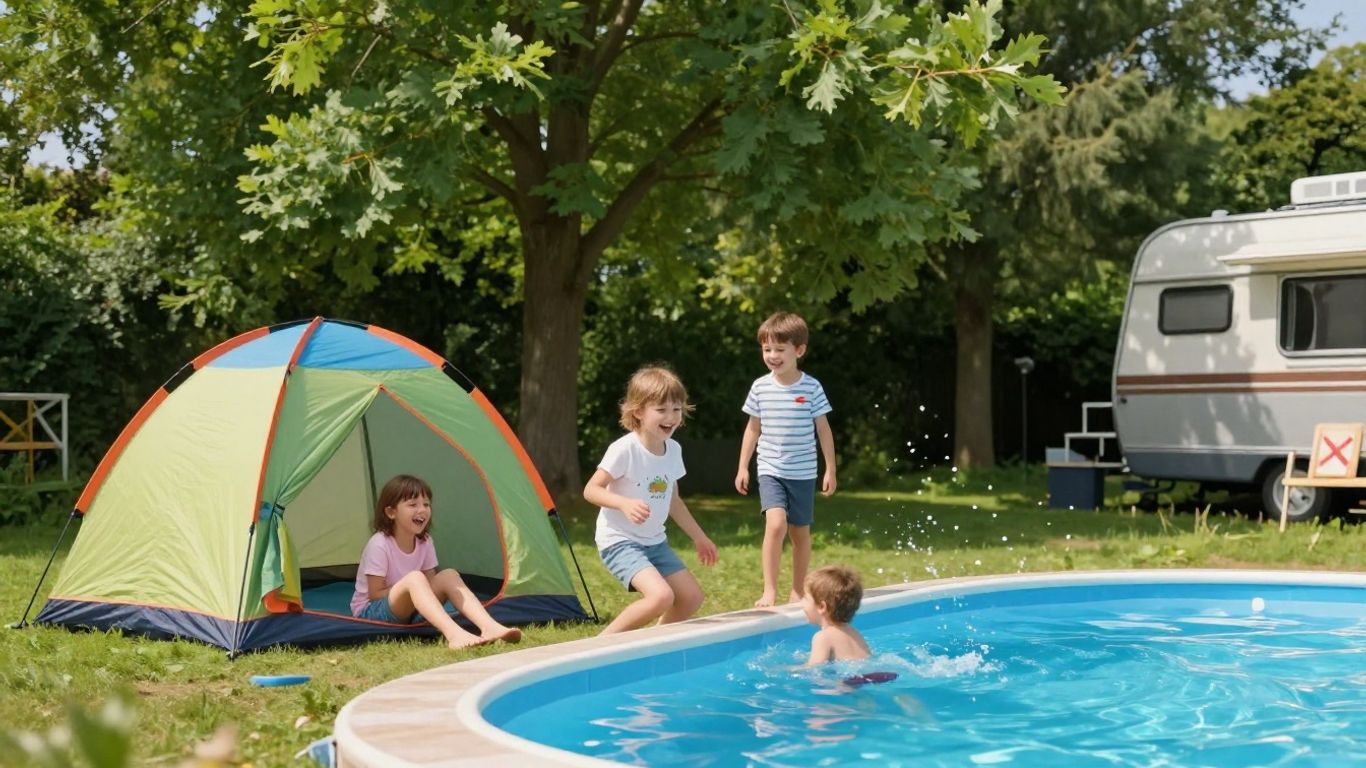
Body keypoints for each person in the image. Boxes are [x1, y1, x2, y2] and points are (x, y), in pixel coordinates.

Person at [585, 366, 719, 635]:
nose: (671, 417)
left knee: (691, 598)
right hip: (620, 541)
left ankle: (655, 643)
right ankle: (600, 645)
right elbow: (591, 490)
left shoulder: (674, 450)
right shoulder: (625, 449)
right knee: (661, 597)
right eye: (661, 410)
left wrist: (699, 537)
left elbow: (674, 501)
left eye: (676, 409)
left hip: (655, 542)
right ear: (638, 411)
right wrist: (623, 503)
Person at [735, 311, 837, 607]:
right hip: (770, 469)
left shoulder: (811, 387)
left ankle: (797, 590)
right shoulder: (760, 387)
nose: (772, 355)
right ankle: (769, 590)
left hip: (803, 472)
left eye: (780, 349)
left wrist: (830, 469)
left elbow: (824, 430)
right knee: (776, 524)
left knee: (799, 532)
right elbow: (752, 429)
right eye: (767, 349)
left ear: (799, 350)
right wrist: (743, 467)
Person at [350, 474, 522, 649]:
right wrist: (409, 587)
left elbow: (432, 584)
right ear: (391, 512)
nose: (422, 510)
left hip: (410, 611)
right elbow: (375, 594)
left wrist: (418, 593)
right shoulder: (379, 544)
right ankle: (454, 635)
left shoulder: (425, 542)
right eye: (413, 505)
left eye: (426, 504)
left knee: (448, 575)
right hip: (372, 613)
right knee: (415, 578)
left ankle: (490, 627)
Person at [802, 565, 871, 666]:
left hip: (850, 675)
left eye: (805, 598)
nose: (802, 602)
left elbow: (814, 668)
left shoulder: (822, 637)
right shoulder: (854, 633)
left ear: (822, 607)